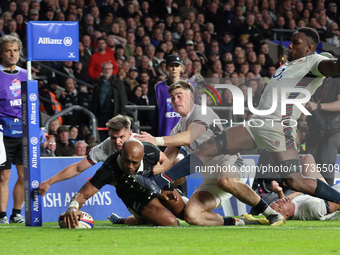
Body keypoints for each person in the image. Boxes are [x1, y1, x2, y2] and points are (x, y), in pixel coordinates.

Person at [145, 27, 340, 212]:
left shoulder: (314, 61)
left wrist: (332, 60)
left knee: (294, 181)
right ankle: (158, 182)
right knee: (208, 148)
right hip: (258, 124)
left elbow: (332, 66)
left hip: (278, 127)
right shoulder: (290, 64)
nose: (290, 46)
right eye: (291, 42)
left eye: (295, 43)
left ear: (309, 48)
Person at [136, 80, 284, 226]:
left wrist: (157, 140)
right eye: (173, 98)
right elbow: (167, 158)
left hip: (230, 162)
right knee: (192, 215)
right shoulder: (177, 128)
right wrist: (147, 169)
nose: (176, 100)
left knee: (225, 180)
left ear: (191, 96)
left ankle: (272, 214)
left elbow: (189, 136)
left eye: (179, 95)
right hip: (210, 175)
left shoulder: (202, 112)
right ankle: (241, 222)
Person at [39, 115, 170, 197]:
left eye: (122, 137)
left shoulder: (141, 142)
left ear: (130, 134)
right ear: (109, 134)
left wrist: (160, 169)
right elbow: (77, 168)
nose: (118, 142)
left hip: (152, 181)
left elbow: (166, 161)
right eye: (114, 137)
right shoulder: (102, 148)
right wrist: (49, 182)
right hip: (127, 188)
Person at [63, 140, 184, 228]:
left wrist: (167, 186)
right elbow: (83, 194)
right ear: (120, 153)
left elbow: (167, 162)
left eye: (134, 162)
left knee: (186, 214)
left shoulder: (150, 150)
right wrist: (72, 207)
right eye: (126, 161)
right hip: (136, 197)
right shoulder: (108, 169)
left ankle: (138, 219)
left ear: (142, 156)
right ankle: (124, 220)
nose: (130, 166)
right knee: (171, 223)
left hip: (155, 184)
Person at [0, 35, 27, 223]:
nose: (13, 54)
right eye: (9, 50)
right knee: (4, 175)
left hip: (24, 130)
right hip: (3, 132)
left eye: (16, 50)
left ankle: (16, 213)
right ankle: (1, 216)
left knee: (24, 175)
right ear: (1, 53)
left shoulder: (26, 74)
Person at [91, 62, 127, 142]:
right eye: (105, 69)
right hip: (100, 114)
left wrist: (121, 116)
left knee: (114, 135)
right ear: (102, 70)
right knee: (101, 136)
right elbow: (94, 99)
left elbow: (123, 100)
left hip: (113, 114)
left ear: (112, 70)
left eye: (109, 69)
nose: (107, 71)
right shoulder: (98, 82)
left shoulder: (118, 82)